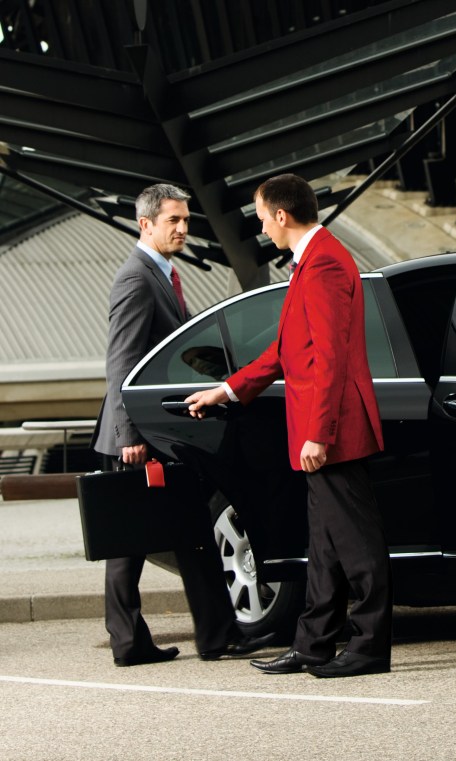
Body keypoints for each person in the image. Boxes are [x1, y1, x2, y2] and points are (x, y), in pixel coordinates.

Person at [185, 173, 392, 679]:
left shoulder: (323, 264)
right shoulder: (312, 261)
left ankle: (369, 648)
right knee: (324, 548)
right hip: (322, 430)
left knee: (356, 545)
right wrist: (226, 390)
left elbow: (330, 358)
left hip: (333, 432)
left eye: (262, 217)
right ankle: (313, 645)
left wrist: (319, 433)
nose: (261, 227)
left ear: (282, 215)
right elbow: (284, 351)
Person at [92, 183, 275, 666]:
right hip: (138, 435)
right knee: (128, 546)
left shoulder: (163, 273)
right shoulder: (136, 279)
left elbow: (185, 346)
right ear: (145, 224)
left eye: (186, 220)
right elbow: (121, 362)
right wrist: (130, 435)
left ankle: (213, 636)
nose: (183, 229)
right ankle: (137, 642)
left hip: (162, 431)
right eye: (172, 220)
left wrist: (231, 375)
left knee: (189, 531)